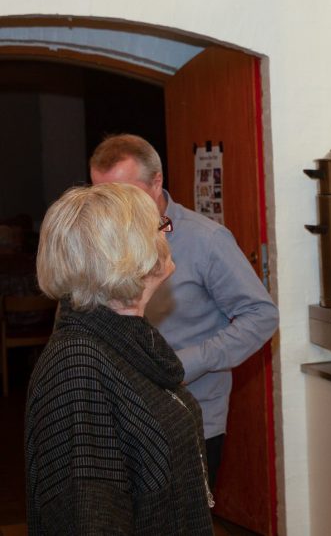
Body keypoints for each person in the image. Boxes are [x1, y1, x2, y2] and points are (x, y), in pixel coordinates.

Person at [89, 134, 279, 485]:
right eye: (103, 196)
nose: (114, 208)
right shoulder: (96, 242)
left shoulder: (206, 240)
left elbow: (261, 316)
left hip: (192, 418)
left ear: (156, 182)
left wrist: (187, 363)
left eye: (125, 194)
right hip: (119, 418)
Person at [25, 183, 214, 534]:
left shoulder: (129, 338)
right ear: (125, 254)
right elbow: (88, 517)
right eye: (158, 226)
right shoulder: (76, 366)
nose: (166, 234)